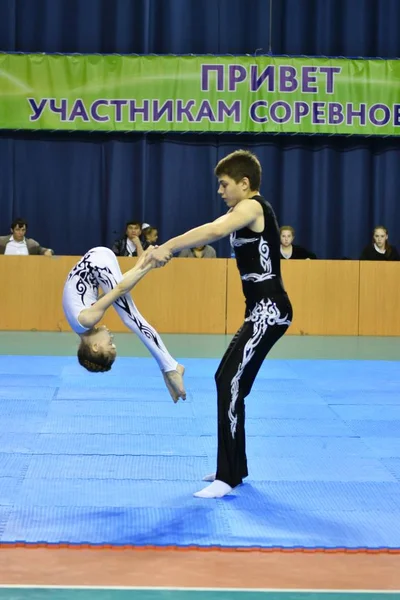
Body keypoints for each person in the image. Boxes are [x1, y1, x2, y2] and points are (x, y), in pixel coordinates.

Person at [144, 149, 292, 498]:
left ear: (245, 183)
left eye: (224, 184)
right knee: (227, 381)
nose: (219, 190)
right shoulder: (239, 210)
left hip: (269, 311)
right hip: (258, 310)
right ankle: (234, 468)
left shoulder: (253, 207)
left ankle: (228, 476)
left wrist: (167, 246)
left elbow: (213, 231)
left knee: (229, 381)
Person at [62, 245, 186, 402]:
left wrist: (149, 265)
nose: (111, 336)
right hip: (97, 258)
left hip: (98, 261)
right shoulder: (79, 322)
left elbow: (120, 289)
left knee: (131, 317)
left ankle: (170, 367)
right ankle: (168, 367)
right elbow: (115, 289)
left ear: (95, 347)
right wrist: (143, 262)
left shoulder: (86, 320)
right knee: (124, 308)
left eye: (110, 343)